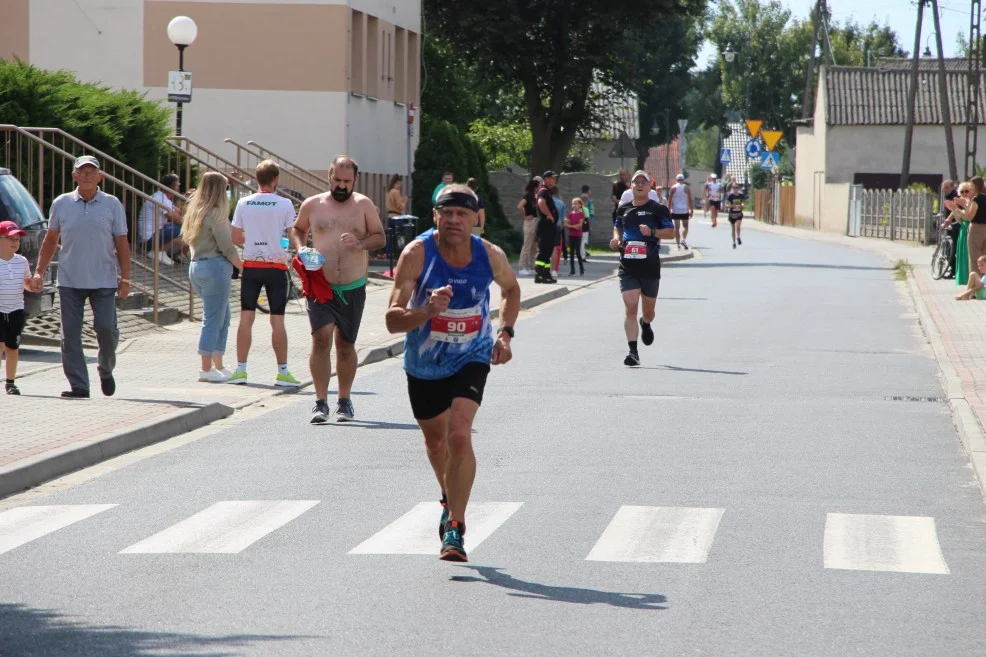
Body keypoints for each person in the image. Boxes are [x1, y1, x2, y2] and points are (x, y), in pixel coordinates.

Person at [384, 184, 520, 562]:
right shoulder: (417, 254)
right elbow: (392, 321)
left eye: (463, 214)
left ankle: (455, 527)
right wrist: (427, 311)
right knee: (435, 444)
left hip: (472, 354)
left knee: (459, 434)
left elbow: (511, 290)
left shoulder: (489, 255)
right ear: (435, 216)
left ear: (477, 218)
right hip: (425, 363)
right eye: (448, 213)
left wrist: (505, 334)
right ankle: (448, 496)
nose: (455, 220)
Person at [293, 155, 386, 423]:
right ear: (329, 176)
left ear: (355, 179)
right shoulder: (313, 204)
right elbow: (298, 230)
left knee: (345, 344)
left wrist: (360, 243)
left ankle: (344, 401)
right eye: (337, 180)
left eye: (347, 181)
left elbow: (379, 237)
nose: (342, 186)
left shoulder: (364, 205)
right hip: (320, 284)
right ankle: (320, 403)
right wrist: (303, 248)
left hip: (353, 286)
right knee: (320, 339)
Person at [32, 155, 131, 398]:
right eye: (82, 171)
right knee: (70, 335)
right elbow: (51, 239)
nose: (87, 175)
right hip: (70, 280)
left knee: (106, 329)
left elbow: (121, 242)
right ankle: (79, 385)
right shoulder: (62, 203)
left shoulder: (112, 204)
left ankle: (105, 370)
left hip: (104, 280)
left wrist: (125, 278)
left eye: (91, 171)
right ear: (74, 175)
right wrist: (39, 271)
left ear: (100, 177)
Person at [228, 160, 301, 388]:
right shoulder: (285, 203)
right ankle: (282, 372)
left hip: (251, 265)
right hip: (277, 267)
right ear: (275, 179)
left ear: (257, 179)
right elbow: (292, 234)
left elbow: (235, 237)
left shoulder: (243, 202)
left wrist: (253, 242)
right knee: (277, 320)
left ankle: (240, 370)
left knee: (246, 317)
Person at [183, 172, 243, 383]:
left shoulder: (195, 211)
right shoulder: (216, 213)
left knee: (222, 318)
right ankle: (206, 368)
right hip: (215, 267)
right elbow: (227, 247)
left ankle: (218, 365)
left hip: (196, 266)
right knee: (213, 319)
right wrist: (243, 268)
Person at [610, 170, 674, 366]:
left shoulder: (658, 209)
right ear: (631, 186)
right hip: (628, 264)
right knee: (630, 307)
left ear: (649, 186)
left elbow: (670, 233)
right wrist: (616, 239)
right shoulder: (623, 209)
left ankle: (645, 323)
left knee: (648, 312)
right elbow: (618, 227)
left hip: (650, 266)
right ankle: (633, 352)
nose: (639, 184)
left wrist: (653, 232)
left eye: (643, 182)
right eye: (636, 182)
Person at [0, 221, 39, 395]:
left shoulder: (21, 261)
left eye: (18, 239)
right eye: (10, 239)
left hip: (16, 310)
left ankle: (10, 382)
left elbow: (26, 284)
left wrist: (34, 286)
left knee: (12, 347)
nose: (15, 242)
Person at [139, 173, 184, 266]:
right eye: (178, 185)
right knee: (184, 231)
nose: (178, 188)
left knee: (184, 229)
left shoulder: (162, 198)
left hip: (153, 235)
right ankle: (158, 251)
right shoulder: (161, 199)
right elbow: (177, 218)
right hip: (148, 240)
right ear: (174, 187)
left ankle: (170, 254)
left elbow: (179, 212)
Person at [534, 171, 559, 284]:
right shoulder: (543, 191)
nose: (555, 180)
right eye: (553, 178)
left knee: (548, 250)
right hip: (545, 225)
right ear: (547, 179)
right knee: (544, 250)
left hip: (548, 226)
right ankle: (539, 274)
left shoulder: (547, 192)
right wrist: (549, 214)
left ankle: (545, 274)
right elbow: (541, 203)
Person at [515, 178, 539, 275]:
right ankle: (521, 267)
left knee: (534, 246)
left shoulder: (534, 196)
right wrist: (524, 216)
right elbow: (519, 206)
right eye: (538, 186)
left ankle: (532, 266)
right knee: (527, 245)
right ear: (535, 187)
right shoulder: (528, 196)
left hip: (535, 221)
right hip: (530, 222)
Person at [668, 173, 694, 250]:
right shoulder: (687, 188)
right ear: (683, 180)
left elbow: (670, 200)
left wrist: (668, 210)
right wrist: (691, 210)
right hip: (684, 210)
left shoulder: (673, 188)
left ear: (676, 180)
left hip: (676, 210)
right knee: (685, 226)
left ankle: (678, 245)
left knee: (677, 228)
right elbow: (690, 199)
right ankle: (684, 239)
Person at [565, 197, 586, 276]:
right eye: (573, 204)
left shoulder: (581, 214)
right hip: (571, 235)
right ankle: (572, 270)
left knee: (577, 252)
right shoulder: (570, 214)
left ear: (580, 205)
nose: (573, 205)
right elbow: (565, 224)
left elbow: (580, 225)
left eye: (575, 204)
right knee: (571, 253)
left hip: (578, 235)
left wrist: (570, 226)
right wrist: (573, 227)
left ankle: (581, 269)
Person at [551, 185, 567, 277]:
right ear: (557, 192)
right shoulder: (561, 203)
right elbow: (562, 218)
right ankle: (554, 270)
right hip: (556, 227)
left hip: (545, 226)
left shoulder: (545, 201)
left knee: (544, 248)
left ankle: (542, 269)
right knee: (556, 249)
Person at [726, 183, 746, 249]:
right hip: (732, 214)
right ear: (732, 189)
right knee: (733, 229)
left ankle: (738, 237)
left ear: (738, 188)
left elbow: (743, 202)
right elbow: (726, 204)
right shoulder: (730, 196)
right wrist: (730, 206)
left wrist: (742, 205)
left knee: (738, 226)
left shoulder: (741, 195)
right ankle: (734, 242)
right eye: (734, 188)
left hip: (738, 213)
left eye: (736, 188)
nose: (735, 189)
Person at [580, 185, 594, 261]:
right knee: (584, 240)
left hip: (581, 225)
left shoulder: (579, 209)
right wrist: (589, 226)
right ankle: (583, 254)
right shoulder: (585, 209)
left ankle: (582, 252)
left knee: (582, 240)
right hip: (585, 225)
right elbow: (587, 218)